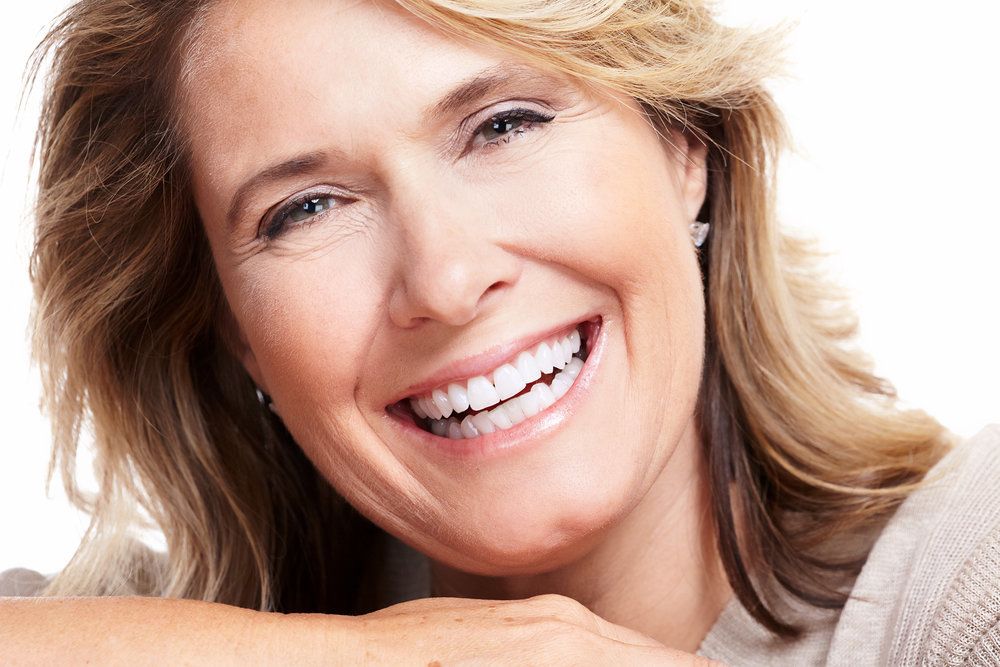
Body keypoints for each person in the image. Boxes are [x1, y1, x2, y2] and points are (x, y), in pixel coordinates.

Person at [2, 0, 998, 664]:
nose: (443, 277)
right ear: (235, 334)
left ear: (681, 140)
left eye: (505, 125)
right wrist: (384, 654)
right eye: (305, 208)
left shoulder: (963, 569)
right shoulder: (173, 632)